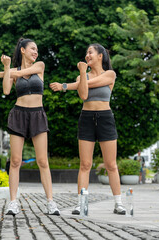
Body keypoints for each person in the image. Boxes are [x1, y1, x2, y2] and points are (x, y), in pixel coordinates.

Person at [0, 37, 60, 216]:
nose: (35, 52)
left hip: (37, 114)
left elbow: (18, 74)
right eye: (32, 49)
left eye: (36, 49)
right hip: (19, 114)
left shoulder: (39, 66)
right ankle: (13, 202)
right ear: (22, 50)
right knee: (15, 161)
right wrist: (6, 69)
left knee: (42, 161)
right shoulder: (12, 70)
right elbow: (6, 90)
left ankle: (51, 202)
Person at [50, 43, 126, 215]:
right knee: (85, 164)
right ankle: (81, 204)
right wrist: (81, 75)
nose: (87, 55)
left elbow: (93, 83)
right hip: (86, 119)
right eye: (86, 53)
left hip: (105, 118)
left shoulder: (110, 74)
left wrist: (65, 86)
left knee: (111, 164)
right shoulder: (81, 77)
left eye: (90, 52)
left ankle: (118, 203)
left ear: (100, 56)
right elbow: (83, 94)